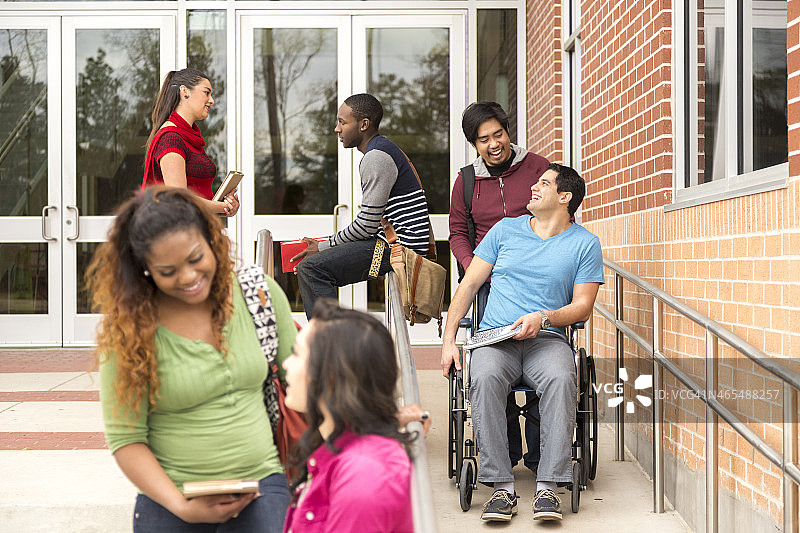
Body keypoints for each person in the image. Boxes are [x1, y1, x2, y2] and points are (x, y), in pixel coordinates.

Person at [89, 187, 291, 532]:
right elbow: (127, 439)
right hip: (170, 500)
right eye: (167, 271)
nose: (187, 277)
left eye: (196, 258)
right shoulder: (128, 330)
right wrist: (181, 505)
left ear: (212, 239)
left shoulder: (258, 295)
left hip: (262, 487)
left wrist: (381, 417)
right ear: (144, 269)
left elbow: (311, 381)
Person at [440, 163, 603, 522]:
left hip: (547, 340)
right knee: (482, 377)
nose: (533, 187)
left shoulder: (585, 244)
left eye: (543, 183)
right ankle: (501, 487)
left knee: (563, 379)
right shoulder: (505, 231)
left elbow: (583, 307)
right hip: (497, 339)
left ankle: (548, 485)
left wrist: (543, 317)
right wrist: (449, 340)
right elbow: (468, 286)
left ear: (565, 197)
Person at [449, 101, 550, 476]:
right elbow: (458, 232)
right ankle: (504, 455)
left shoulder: (539, 168)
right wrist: (472, 267)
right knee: (494, 363)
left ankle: (542, 458)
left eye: (498, 134)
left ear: (508, 131)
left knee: (543, 354)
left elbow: (560, 218)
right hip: (487, 282)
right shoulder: (467, 181)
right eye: (483, 139)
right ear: (473, 144)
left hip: (535, 279)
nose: (493, 144)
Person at [282, 299, 419, 532]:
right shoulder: (336, 447)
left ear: (331, 376)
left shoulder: (364, 475)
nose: (285, 364)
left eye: (296, 354)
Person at [291, 93, 431, 318]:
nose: (337, 128)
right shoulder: (381, 150)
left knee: (312, 269)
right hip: (390, 242)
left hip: (398, 249)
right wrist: (326, 246)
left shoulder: (376, 157)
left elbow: (366, 226)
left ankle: (330, 348)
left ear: (364, 124)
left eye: (342, 122)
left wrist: (324, 245)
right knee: (317, 263)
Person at [141, 68, 239, 217]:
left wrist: (225, 207)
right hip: (182, 236)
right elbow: (180, 200)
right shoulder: (171, 138)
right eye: (206, 92)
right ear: (184, 91)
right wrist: (221, 207)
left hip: (199, 230)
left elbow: (195, 201)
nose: (211, 100)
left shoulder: (189, 137)